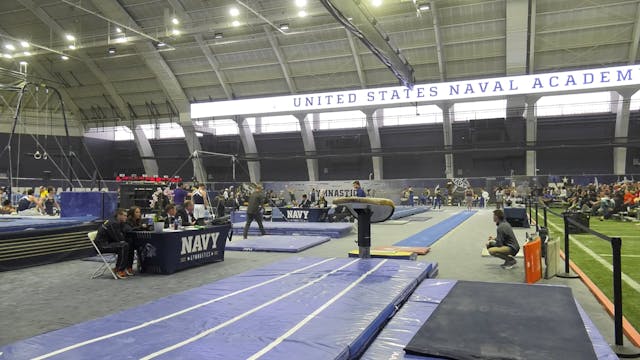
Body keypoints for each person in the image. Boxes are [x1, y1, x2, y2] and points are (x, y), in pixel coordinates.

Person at [94, 208, 134, 279]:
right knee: (124, 245)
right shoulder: (113, 223)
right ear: (119, 215)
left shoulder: (117, 222)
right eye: (124, 215)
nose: (126, 217)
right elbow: (118, 239)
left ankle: (123, 267)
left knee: (128, 244)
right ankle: (119, 270)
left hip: (108, 243)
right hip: (102, 245)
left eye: (126, 216)